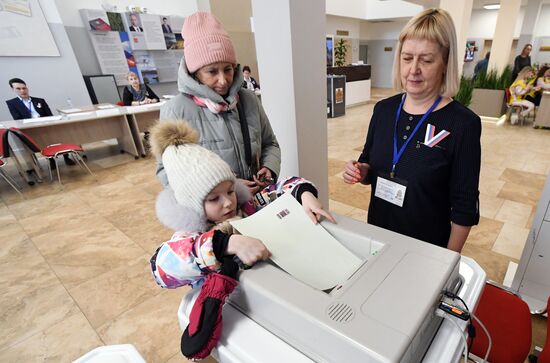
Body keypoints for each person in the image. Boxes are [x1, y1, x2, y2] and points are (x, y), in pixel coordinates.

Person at [148, 120, 334, 360]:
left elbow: (284, 186)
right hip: (232, 319)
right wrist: (226, 244)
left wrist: (305, 194)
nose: (228, 202)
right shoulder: (190, 238)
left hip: (269, 303)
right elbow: (161, 267)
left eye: (230, 190)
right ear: (193, 205)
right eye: (214, 198)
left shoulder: (247, 208)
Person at [342, 8, 481, 253]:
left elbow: (465, 206)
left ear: (445, 63)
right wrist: (360, 171)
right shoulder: (384, 110)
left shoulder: (462, 124)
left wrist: (447, 261)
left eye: (426, 60)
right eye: (407, 58)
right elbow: (369, 164)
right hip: (378, 238)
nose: (413, 69)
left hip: (426, 249)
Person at [159, 12, 281, 195]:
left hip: (256, 202)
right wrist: (226, 188)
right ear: (195, 72)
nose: (223, 80)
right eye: (212, 72)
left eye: (228, 69)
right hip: (216, 213)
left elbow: (270, 143)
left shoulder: (249, 100)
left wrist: (269, 168)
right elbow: (169, 174)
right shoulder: (175, 111)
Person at [6, 78, 74, 167]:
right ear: (12, 89)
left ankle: (66, 156)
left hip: (46, 125)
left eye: (24, 88)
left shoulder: (39, 100)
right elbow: (18, 119)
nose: (22, 91)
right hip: (30, 128)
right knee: (42, 140)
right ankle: (51, 160)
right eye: (18, 89)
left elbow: (50, 115)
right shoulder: (12, 103)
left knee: (59, 134)